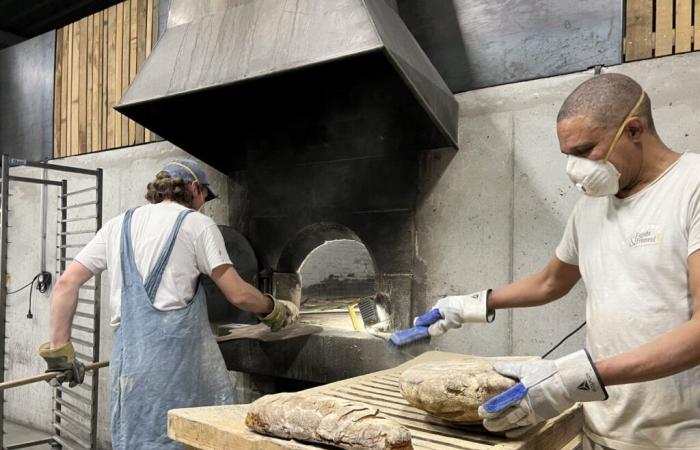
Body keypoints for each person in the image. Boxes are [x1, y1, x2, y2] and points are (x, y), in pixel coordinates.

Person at [423, 74, 700, 449]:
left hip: (678, 437)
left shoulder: (691, 187)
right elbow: (550, 282)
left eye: (585, 151)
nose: (575, 169)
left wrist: (572, 379)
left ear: (634, 130)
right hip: (600, 428)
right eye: (569, 155)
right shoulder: (590, 207)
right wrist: (470, 304)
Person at [38, 159, 299, 449]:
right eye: (204, 198)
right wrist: (274, 309)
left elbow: (65, 284)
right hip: (179, 371)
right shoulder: (197, 224)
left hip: (131, 372)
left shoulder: (117, 225)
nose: (203, 205)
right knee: (187, 436)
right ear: (195, 188)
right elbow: (237, 294)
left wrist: (60, 355)